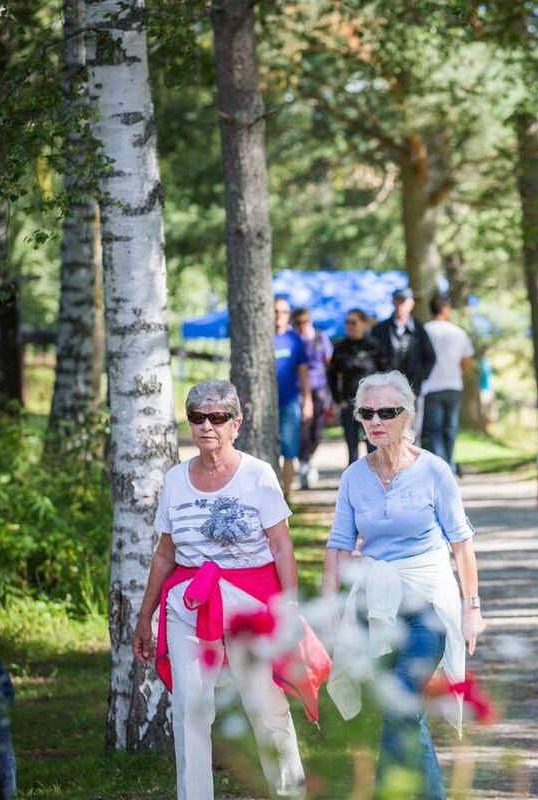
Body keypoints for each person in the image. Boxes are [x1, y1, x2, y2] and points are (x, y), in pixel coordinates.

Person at [131, 380, 328, 800]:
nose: (207, 426)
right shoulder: (175, 479)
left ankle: (289, 792)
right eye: (198, 417)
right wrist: (145, 616)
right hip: (190, 604)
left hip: (249, 606)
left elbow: (281, 546)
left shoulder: (258, 475)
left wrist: (289, 609)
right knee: (189, 710)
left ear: (235, 424)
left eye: (218, 417)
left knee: (266, 706)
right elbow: (165, 555)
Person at [322, 371, 484, 800]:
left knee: (400, 706)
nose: (376, 421)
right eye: (366, 412)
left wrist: (472, 609)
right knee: (404, 715)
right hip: (374, 610)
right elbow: (338, 547)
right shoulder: (354, 476)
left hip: (428, 608)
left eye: (387, 412)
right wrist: (330, 611)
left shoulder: (435, 471)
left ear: (407, 416)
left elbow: (462, 546)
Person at [420, 295, 474, 473]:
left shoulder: (424, 331)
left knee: (434, 431)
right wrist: (456, 372)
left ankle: (440, 467)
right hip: (453, 385)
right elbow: (467, 361)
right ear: (445, 309)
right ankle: (449, 464)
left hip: (431, 387)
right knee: (450, 429)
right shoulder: (458, 332)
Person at [328, 308, 384, 465]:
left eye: (353, 322)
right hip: (349, 403)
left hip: (372, 406)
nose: (349, 326)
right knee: (351, 445)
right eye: (347, 322)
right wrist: (338, 399)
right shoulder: (341, 347)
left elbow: (385, 373)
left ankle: (375, 479)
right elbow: (332, 375)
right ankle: (353, 482)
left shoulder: (374, 346)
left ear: (364, 324)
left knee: (373, 443)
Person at [274, 297, 314, 495]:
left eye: (283, 312)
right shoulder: (261, 337)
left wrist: (308, 401)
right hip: (265, 407)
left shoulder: (294, 340)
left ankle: (287, 495)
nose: (279, 316)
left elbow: (304, 373)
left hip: (289, 403)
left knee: (289, 450)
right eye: (275, 311)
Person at [292, 307, 333, 489]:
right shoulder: (293, 339)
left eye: (304, 322)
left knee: (317, 429)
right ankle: (304, 463)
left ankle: (308, 458)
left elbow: (329, 359)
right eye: (298, 323)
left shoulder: (320, 337)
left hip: (320, 389)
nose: (302, 326)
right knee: (303, 428)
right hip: (299, 390)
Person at [370, 287, 437, 399]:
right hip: (386, 389)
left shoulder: (418, 329)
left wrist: (421, 376)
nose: (400, 305)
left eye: (403, 301)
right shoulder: (380, 329)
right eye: (397, 301)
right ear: (393, 302)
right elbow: (372, 357)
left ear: (411, 304)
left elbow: (430, 356)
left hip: (413, 389)